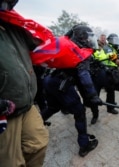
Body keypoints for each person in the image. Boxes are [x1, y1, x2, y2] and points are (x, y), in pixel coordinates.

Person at [39, 24, 103, 157]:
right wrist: (93, 96)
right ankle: (84, 145)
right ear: (80, 37)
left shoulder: (66, 44)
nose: (89, 41)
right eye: (87, 37)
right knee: (80, 112)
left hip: (49, 80)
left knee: (52, 107)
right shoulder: (80, 52)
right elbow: (84, 77)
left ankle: (34, 126)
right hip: (61, 85)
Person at [0, 1, 50, 166]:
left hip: (27, 103)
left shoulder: (13, 24)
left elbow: (41, 44)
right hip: (4, 113)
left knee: (39, 144)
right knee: (11, 162)